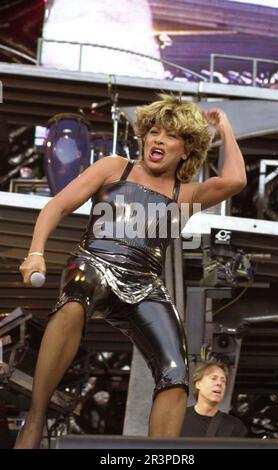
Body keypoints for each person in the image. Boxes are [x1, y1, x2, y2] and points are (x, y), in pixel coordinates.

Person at [14, 94, 246, 448]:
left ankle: (159, 455)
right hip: (93, 263)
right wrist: (35, 253)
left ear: (185, 150)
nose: (158, 140)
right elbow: (56, 206)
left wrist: (224, 127)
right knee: (75, 296)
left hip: (145, 283)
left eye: (170, 136)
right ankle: (36, 414)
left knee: (176, 372)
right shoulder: (114, 167)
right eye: (153, 132)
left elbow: (235, 180)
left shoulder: (184, 195)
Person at [181, 360, 247, 438]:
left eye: (223, 381)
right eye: (213, 378)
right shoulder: (179, 418)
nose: (219, 383)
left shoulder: (235, 427)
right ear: (198, 384)